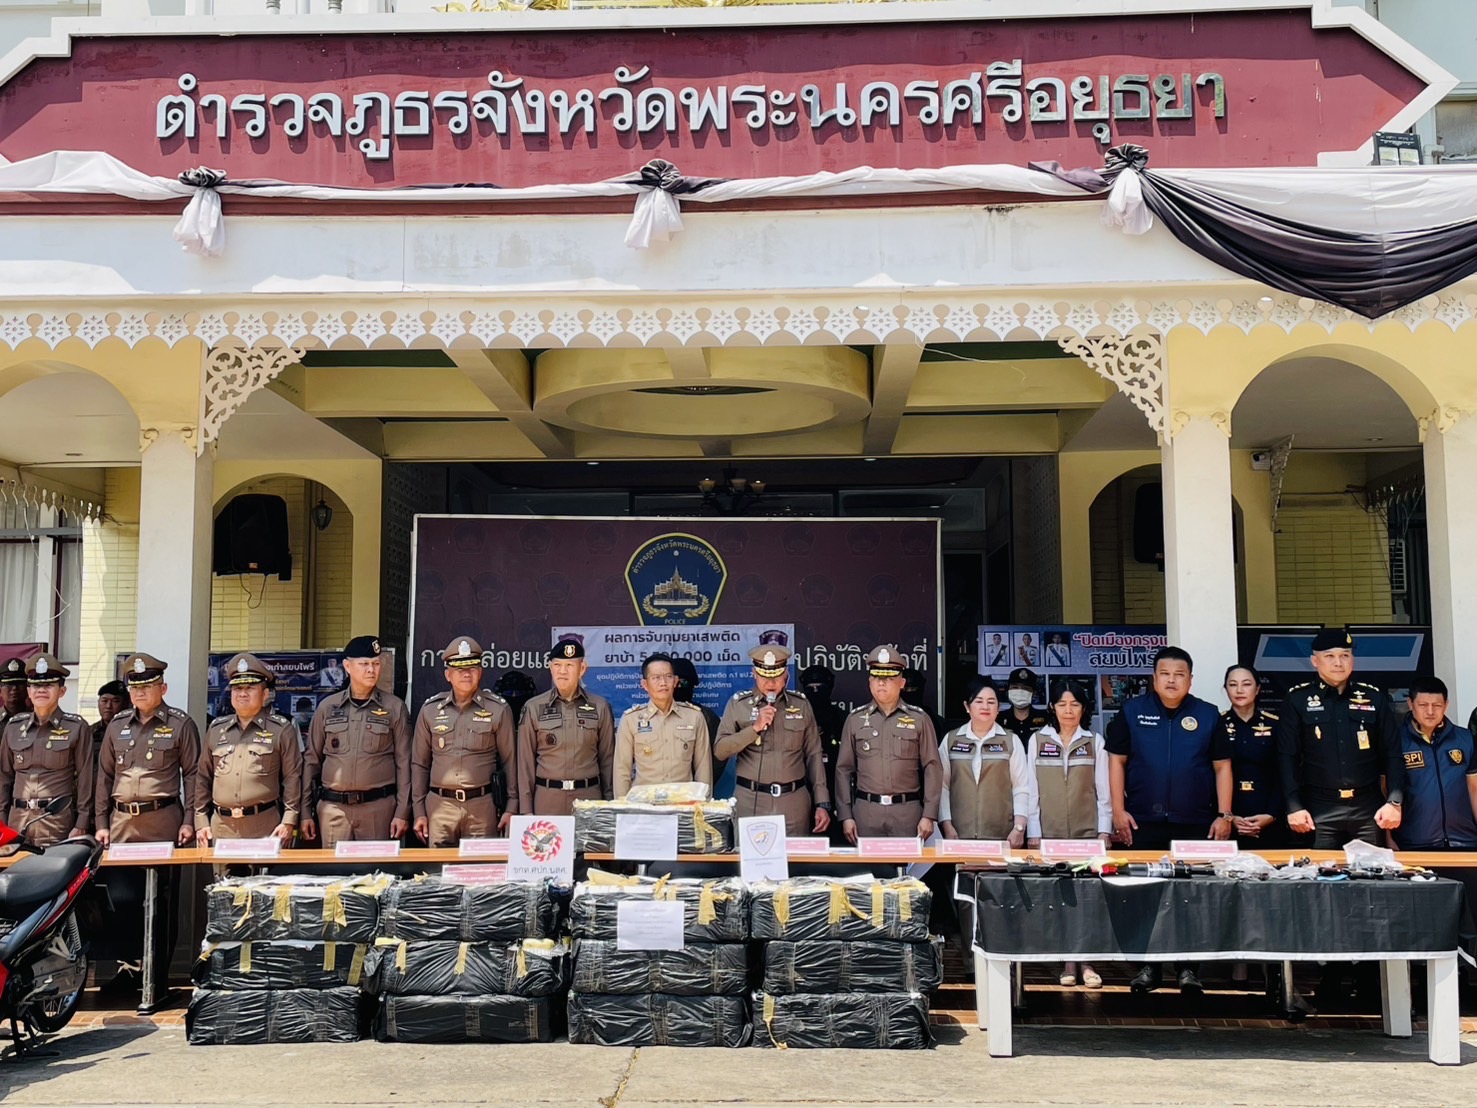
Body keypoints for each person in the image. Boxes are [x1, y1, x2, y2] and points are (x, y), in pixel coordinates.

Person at [1105, 645, 1229, 995]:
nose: (1172, 680)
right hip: (1144, 820)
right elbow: (1116, 762)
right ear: (1154, 678)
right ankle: (1148, 966)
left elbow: (1223, 767)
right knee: (1146, 894)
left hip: (1196, 822)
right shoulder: (1132, 711)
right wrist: (1118, 810)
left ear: (1191, 679)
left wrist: (1224, 814)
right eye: (1165, 674)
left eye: (1179, 675)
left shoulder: (1208, 715)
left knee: (1190, 895)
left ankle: (1188, 968)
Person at [93, 652, 199, 1007]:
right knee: (122, 901)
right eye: (135, 687)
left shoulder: (180, 724)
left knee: (162, 903)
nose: (140, 693)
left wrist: (190, 821)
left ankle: (158, 978)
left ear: (163, 688)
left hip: (163, 821)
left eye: (148, 686)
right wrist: (101, 822)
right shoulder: (117, 725)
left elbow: (194, 776)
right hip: (122, 824)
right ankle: (127, 973)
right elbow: (104, 777)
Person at [1276, 628, 1404, 848]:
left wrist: (1395, 801)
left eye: (1345, 655)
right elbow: (1287, 757)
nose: (1338, 663)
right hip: (1318, 809)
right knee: (1321, 879)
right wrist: (1294, 806)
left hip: (1368, 809)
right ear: (1314, 661)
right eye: (1330, 656)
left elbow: (1392, 753)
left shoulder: (1374, 698)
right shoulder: (1297, 700)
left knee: (1371, 878)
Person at [1025, 677, 1112, 990]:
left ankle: (1087, 961)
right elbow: (1030, 790)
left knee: (1088, 898)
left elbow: (1104, 792)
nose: (1068, 710)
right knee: (1059, 898)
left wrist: (1105, 830)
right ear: (1052, 707)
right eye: (1062, 704)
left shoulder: (1094, 742)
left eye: (1074, 704)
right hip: (1050, 834)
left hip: (1087, 833)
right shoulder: (1037, 741)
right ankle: (1067, 960)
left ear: (1084, 708)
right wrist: (1033, 830)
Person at [713, 633, 830, 836]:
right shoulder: (738, 704)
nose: (770, 682)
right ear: (754, 674)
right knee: (750, 864)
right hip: (751, 799)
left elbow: (814, 754)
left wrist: (822, 802)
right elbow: (720, 751)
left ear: (786, 675)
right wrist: (754, 728)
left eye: (776, 676)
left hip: (793, 801)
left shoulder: (800, 704)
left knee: (794, 864)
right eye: (765, 676)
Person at [302, 636, 411, 847]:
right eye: (364, 664)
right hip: (334, 811)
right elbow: (311, 761)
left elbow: (404, 763)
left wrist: (402, 811)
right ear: (347, 666)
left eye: (376, 663)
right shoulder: (328, 708)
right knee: (335, 876)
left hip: (378, 810)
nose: (371, 670)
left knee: (377, 876)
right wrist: (305, 811)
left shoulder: (394, 708)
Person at [411, 636, 517, 846]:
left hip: (482, 809)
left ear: (481, 672)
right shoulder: (431, 710)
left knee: (481, 875)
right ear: (448, 675)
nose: (467, 673)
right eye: (460, 669)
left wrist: (511, 807)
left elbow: (510, 762)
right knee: (437, 874)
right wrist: (418, 811)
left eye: (472, 667)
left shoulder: (498, 709)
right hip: (440, 809)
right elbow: (419, 764)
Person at [834, 645, 943, 841]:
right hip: (866, 813)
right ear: (869, 682)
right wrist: (845, 815)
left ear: (902, 682)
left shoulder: (919, 719)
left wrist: (929, 814)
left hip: (907, 813)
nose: (881, 683)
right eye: (876, 677)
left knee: (906, 871)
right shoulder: (855, 719)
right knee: (870, 871)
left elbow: (932, 767)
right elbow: (843, 770)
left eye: (889, 678)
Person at [195, 652, 303, 847]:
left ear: (265, 694)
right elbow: (203, 777)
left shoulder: (281, 729)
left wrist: (289, 820)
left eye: (250, 687)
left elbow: (292, 778)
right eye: (237, 688)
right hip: (222, 827)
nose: (242, 693)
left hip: (265, 825)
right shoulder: (216, 729)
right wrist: (200, 820)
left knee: (263, 878)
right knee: (223, 879)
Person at [0, 652, 93, 846]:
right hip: (17, 822)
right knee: (13, 875)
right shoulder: (13, 727)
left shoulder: (76, 727)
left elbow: (86, 778)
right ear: (28, 690)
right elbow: (3, 778)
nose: (41, 690)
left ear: (62, 691)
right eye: (36, 685)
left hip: (56, 823)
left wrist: (82, 822)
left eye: (49, 685)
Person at [517, 634, 615, 816]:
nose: (562, 671)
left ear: (582, 668)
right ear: (550, 668)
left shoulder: (600, 706)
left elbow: (607, 761)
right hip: (547, 799)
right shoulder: (533, 707)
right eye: (557, 665)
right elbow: (525, 765)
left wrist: (609, 805)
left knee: (588, 846)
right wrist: (525, 811)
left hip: (589, 799)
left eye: (569, 665)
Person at [938, 676, 1028, 847]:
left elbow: (1021, 787)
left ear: (998, 708)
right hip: (958, 833)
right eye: (979, 701)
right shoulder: (951, 740)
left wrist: (1019, 827)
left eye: (991, 702)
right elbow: (942, 786)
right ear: (967, 706)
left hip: (1002, 835)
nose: (985, 707)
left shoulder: (1010, 740)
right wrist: (946, 824)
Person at [1393, 676, 1477, 851]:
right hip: (1414, 843)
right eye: (1423, 705)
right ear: (1410, 704)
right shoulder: (1396, 742)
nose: (1430, 711)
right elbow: (1384, 791)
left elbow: (1474, 789)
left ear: (1446, 705)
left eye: (1437, 705)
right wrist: (1387, 839)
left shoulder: (1465, 739)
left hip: (1464, 841)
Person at [613, 652, 712, 798]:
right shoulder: (631, 720)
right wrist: (623, 810)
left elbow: (703, 769)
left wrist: (703, 807)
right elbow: (622, 771)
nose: (663, 683)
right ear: (645, 684)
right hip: (644, 807)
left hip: (683, 806)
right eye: (656, 677)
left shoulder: (694, 717)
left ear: (675, 681)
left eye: (668, 676)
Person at [1212, 665, 1285, 848]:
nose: (1239, 690)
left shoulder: (1276, 725)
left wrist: (1271, 814)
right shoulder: (1215, 724)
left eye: (1246, 684)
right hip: (1227, 818)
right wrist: (1228, 816)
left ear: (1258, 688)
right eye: (1232, 684)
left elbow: (1284, 772)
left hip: (1268, 816)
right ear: (1225, 689)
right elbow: (1209, 773)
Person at [673, 656, 726, 796]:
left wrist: (699, 788)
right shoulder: (650, 717)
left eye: (683, 683)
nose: (678, 687)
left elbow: (718, 759)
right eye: (675, 682)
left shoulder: (706, 716)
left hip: (694, 795)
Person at [999, 668, 1050, 748]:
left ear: (1034, 693)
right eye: (1015, 687)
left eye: (1025, 688)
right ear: (1008, 690)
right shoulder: (999, 719)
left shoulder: (1046, 718)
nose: (1020, 692)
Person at [92, 680, 128, 752]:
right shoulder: (90, 732)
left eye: (115, 701)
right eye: (104, 701)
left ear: (125, 704)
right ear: (98, 703)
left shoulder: (132, 730)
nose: (108, 706)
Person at [0, 657, 31, 728]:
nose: (14, 688)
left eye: (19, 683)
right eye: (9, 684)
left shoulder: (38, 719)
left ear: (28, 688)